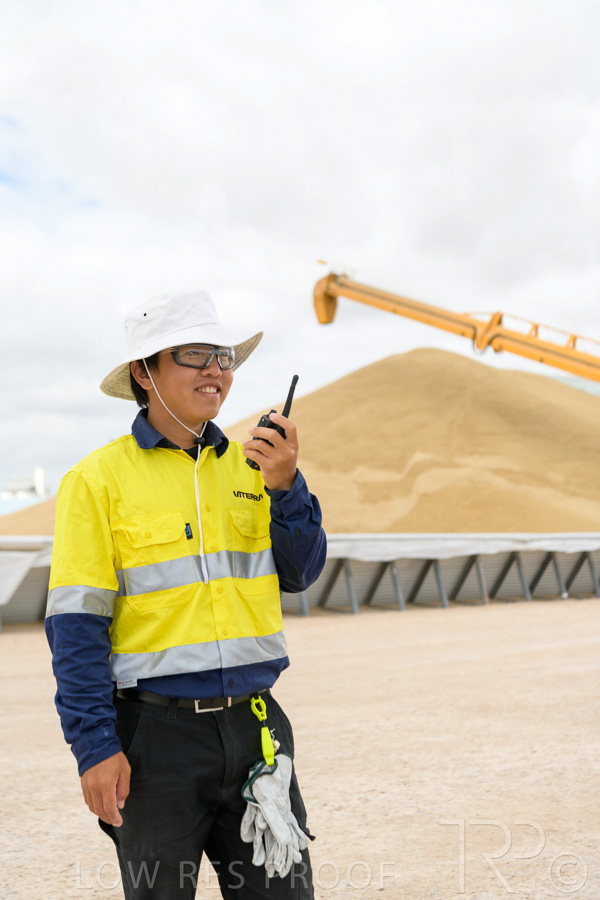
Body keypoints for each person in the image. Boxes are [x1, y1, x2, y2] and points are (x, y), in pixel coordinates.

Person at [46, 290, 327, 899]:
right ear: (143, 373)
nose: (215, 370)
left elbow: (301, 572)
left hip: (257, 729)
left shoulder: (259, 468)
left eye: (223, 356)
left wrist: (287, 488)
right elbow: (76, 626)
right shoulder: (95, 481)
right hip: (154, 740)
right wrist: (94, 746)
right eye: (194, 355)